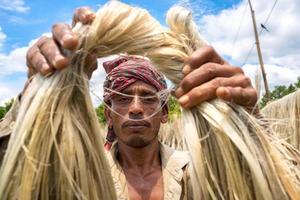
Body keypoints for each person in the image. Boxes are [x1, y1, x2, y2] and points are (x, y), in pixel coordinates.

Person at [0, 7, 258, 200]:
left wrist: (247, 121)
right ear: (109, 115)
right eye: (122, 99)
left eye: (147, 97)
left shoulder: (201, 170)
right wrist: (34, 98)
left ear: (164, 112)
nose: (135, 108)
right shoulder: (79, 173)